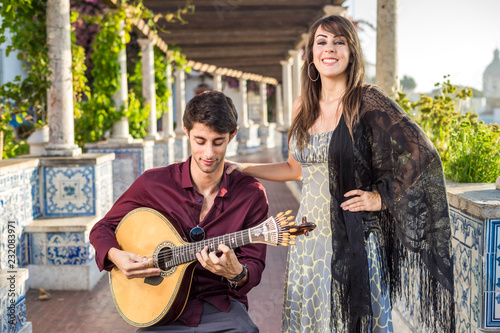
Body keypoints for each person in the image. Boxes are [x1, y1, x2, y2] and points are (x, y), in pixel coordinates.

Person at [226, 15, 454, 333]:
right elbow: (296, 168)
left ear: (351, 52)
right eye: (322, 42)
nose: (329, 49)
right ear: (311, 54)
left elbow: (422, 151)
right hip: (308, 240)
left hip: (356, 238)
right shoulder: (301, 107)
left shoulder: (366, 101)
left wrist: (381, 198)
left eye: (339, 41)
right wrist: (244, 168)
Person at [89, 90, 269, 333]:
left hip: (220, 308)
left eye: (218, 142)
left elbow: (254, 265)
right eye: (200, 141)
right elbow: (102, 227)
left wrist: (238, 273)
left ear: (232, 135)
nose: (209, 153)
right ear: (186, 132)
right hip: (159, 307)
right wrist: (115, 255)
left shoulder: (250, 194)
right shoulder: (153, 183)